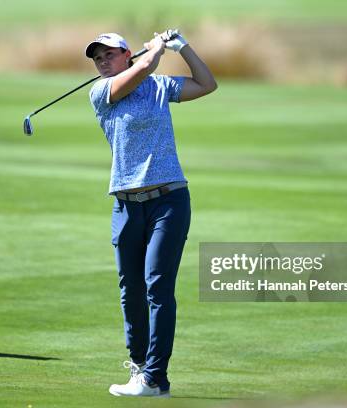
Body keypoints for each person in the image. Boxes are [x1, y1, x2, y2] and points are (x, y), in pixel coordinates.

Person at [85, 29, 217, 397]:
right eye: (97, 58)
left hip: (168, 202)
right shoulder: (100, 93)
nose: (102, 62)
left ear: (126, 54)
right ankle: (140, 369)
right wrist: (155, 52)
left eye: (109, 55)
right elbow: (139, 72)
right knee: (131, 291)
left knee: (157, 287)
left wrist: (182, 47)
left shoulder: (158, 85)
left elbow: (207, 84)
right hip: (126, 206)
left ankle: (155, 378)